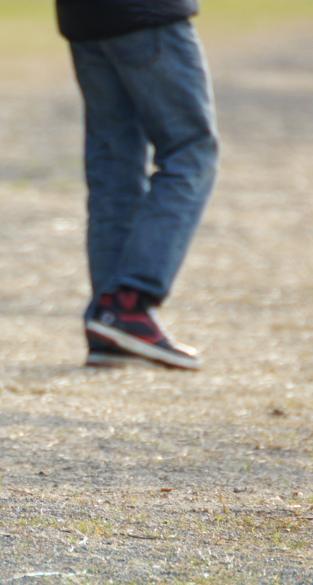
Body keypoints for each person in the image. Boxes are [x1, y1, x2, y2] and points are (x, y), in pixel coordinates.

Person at [56, 0, 220, 369]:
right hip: (147, 13)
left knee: (113, 166)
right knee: (191, 152)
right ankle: (127, 304)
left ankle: (110, 325)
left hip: (84, 17)